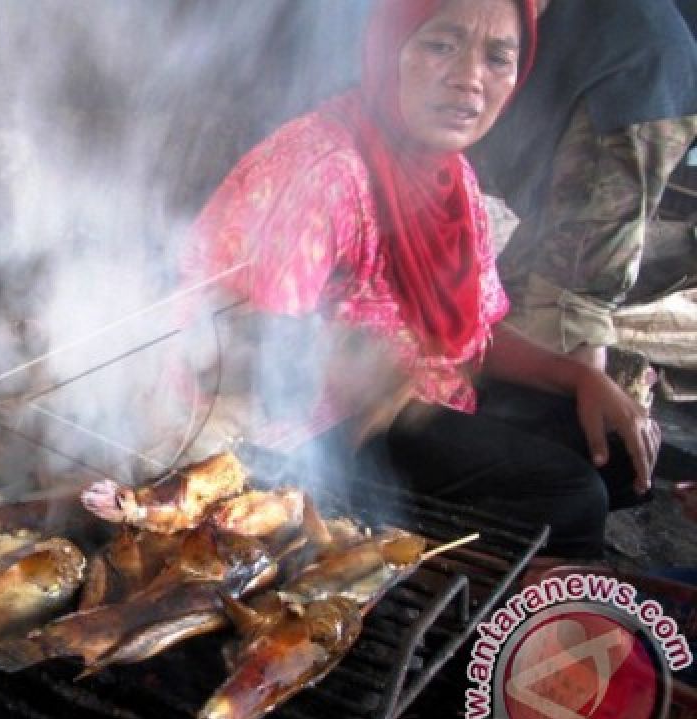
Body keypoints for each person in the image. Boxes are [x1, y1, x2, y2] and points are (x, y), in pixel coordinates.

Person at [181, 0, 661, 558]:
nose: (470, 79)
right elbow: (233, 353)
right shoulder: (319, 172)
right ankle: (424, 580)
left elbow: (473, 336)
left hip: (427, 397)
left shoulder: (451, 177)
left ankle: (482, 562)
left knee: (617, 462)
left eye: (498, 58)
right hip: (311, 442)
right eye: (441, 45)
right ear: (390, 50)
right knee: (571, 496)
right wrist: (355, 366)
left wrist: (577, 377)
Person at [469, 0, 697, 373]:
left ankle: (569, 417)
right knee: (509, 293)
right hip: (598, 62)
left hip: (633, 84)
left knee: (565, 302)